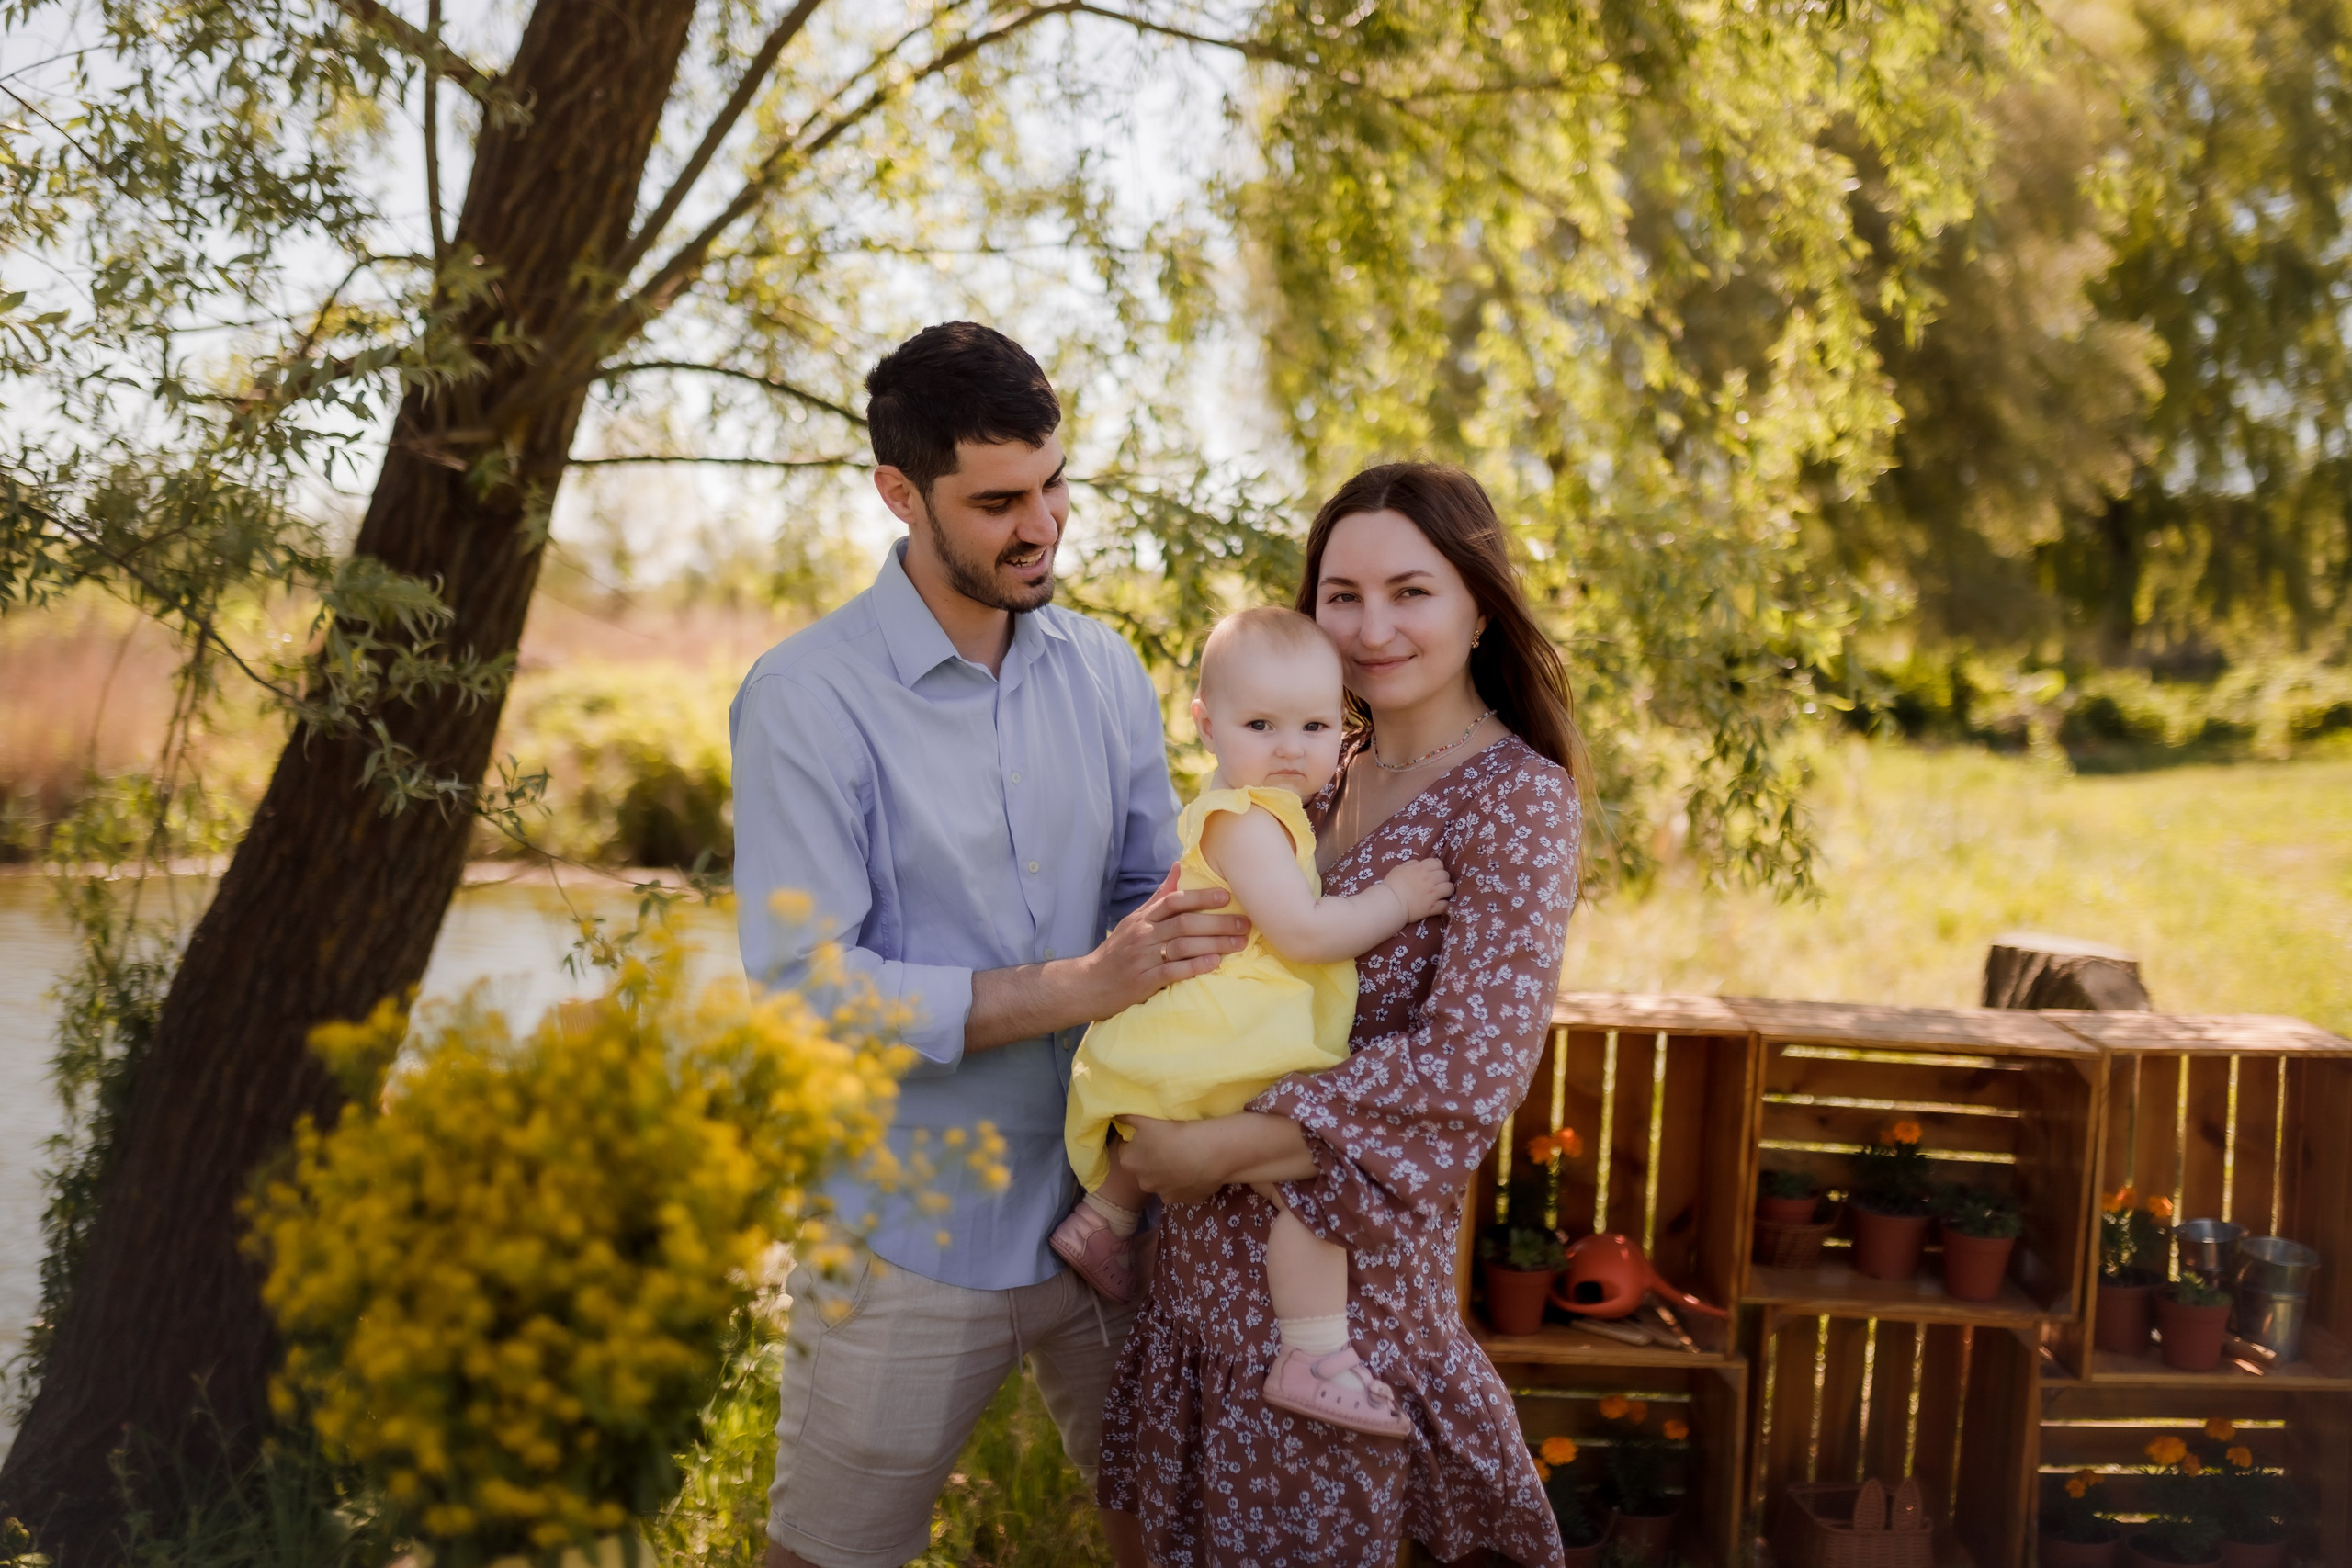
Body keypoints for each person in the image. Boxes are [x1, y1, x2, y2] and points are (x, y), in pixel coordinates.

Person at [729, 321, 1244, 1568]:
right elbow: (808, 990)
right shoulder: (805, 697)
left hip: (1108, 1217)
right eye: (1000, 500)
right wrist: (1079, 983)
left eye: (1056, 483)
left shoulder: (1107, 670)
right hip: (906, 1230)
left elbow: (1146, 896)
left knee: (1174, 1541)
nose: (1044, 524)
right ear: (900, 493)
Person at [1098, 462, 1590, 1567]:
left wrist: (1216, 1147)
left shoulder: (1516, 801)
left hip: (1336, 1323)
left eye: (1410, 592)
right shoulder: (1306, 768)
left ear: (1477, 604)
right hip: (1192, 1290)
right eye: (1342, 595)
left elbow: (1469, 1069)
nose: (1372, 629)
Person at [1052, 607, 1453, 1437]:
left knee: (1259, 1154)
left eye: (1314, 724)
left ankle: (1106, 1219)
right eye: (1260, 723)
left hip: (1214, 1025)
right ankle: (1314, 1353)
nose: (1290, 746)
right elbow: (1304, 933)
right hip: (1228, 1031)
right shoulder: (1246, 817)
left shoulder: (1260, 810)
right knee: (1311, 1185)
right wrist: (1397, 899)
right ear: (1205, 724)